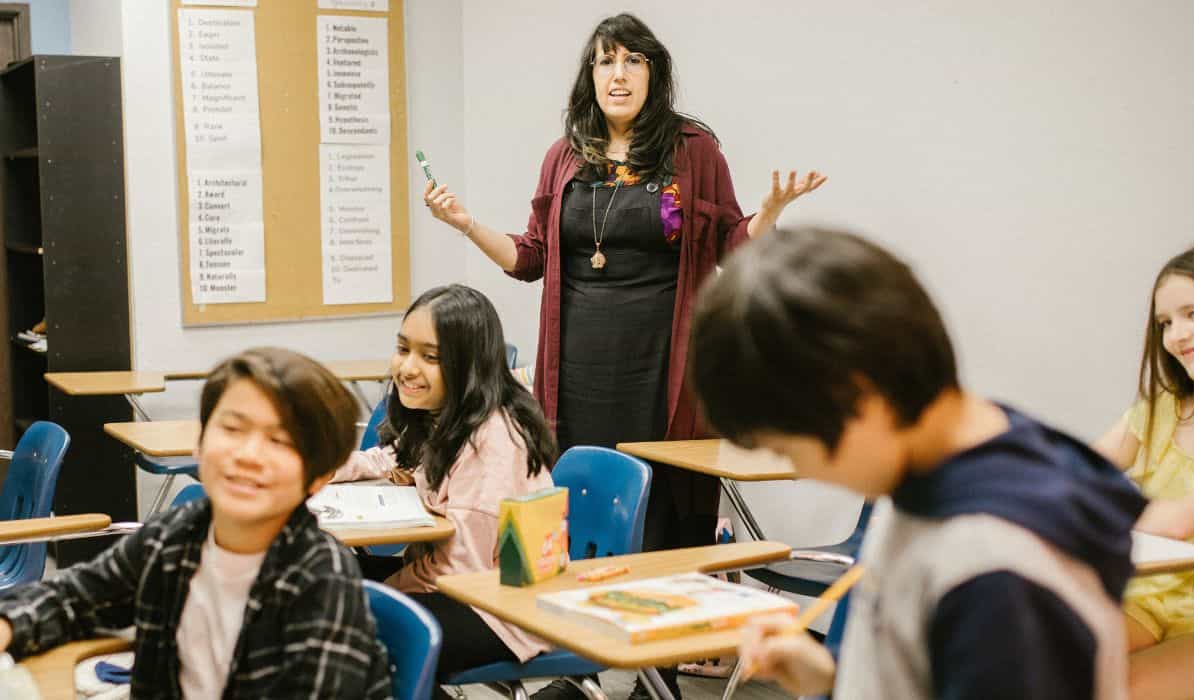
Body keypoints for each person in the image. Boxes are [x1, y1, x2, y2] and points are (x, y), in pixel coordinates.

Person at [421, 12, 826, 560]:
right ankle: (572, 631)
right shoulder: (565, 155)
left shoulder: (693, 150)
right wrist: (466, 224)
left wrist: (770, 213)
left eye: (633, 61)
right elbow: (530, 256)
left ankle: (670, 637)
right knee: (575, 502)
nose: (619, 74)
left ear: (654, 73)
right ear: (590, 76)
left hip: (663, 368)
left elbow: (734, 245)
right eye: (606, 60)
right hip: (577, 372)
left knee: (662, 503)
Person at [689, 227, 1146, 699]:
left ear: (860, 398)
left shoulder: (999, 570)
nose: (806, 473)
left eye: (789, 450)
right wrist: (831, 677)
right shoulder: (928, 474)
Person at [0, 348, 391, 698]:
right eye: (233, 429)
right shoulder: (180, 534)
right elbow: (80, 597)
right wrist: (8, 624)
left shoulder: (322, 584)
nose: (248, 454)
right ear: (200, 442)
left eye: (281, 441)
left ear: (321, 475)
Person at [331, 284, 558, 696]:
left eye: (430, 357)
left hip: (499, 605)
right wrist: (314, 472)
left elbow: (462, 571)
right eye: (403, 349)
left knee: (350, 633)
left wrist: (386, 591)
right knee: (326, 573)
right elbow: (391, 458)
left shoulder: (494, 440)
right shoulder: (445, 416)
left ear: (469, 366)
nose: (407, 368)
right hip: (456, 581)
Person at [1094, 246, 1194, 700]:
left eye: (1193, 313)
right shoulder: (1157, 413)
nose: (1176, 335)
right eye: (1165, 323)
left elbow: (1179, 522)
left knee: (1123, 691)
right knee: (1046, 663)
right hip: (1146, 600)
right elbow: (1072, 473)